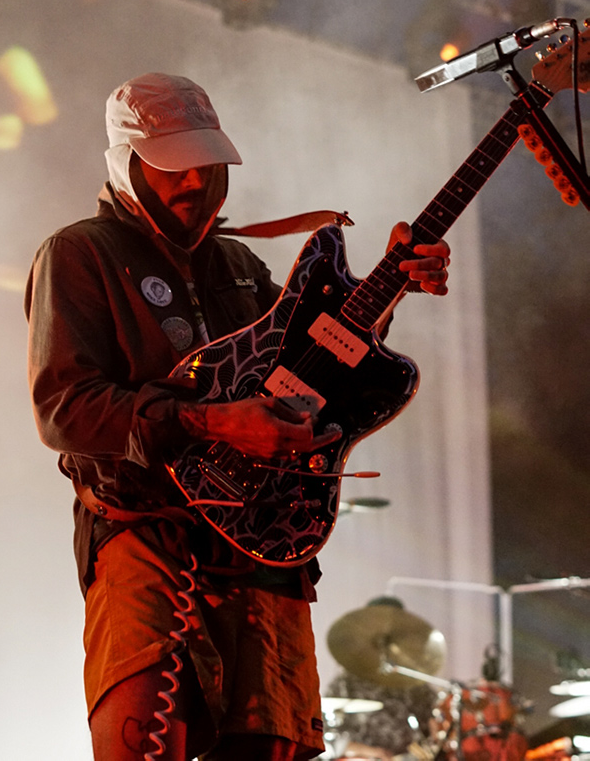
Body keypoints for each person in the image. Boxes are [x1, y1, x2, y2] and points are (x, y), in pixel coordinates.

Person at [24, 73, 451, 761]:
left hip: (262, 536)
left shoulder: (241, 265)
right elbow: (64, 408)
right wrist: (214, 422)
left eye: (207, 164)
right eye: (173, 167)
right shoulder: (80, 253)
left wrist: (390, 287)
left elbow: (316, 363)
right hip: (145, 531)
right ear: (127, 165)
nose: (195, 182)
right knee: (141, 743)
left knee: (272, 748)